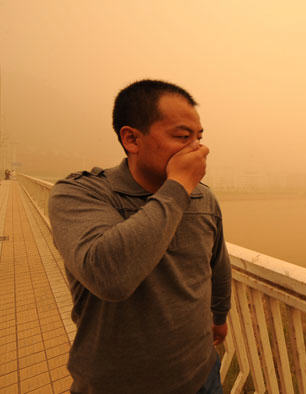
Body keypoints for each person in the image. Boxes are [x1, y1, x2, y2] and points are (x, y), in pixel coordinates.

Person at [48, 79, 231, 393]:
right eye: (182, 136)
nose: (199, 149)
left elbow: (217, 264)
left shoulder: (203, 199)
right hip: (116, 385)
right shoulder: (80, 193)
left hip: (202, 373)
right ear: (132, 139)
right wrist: (178, 187)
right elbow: (109, 276)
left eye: (199, 137)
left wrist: (219, 314)